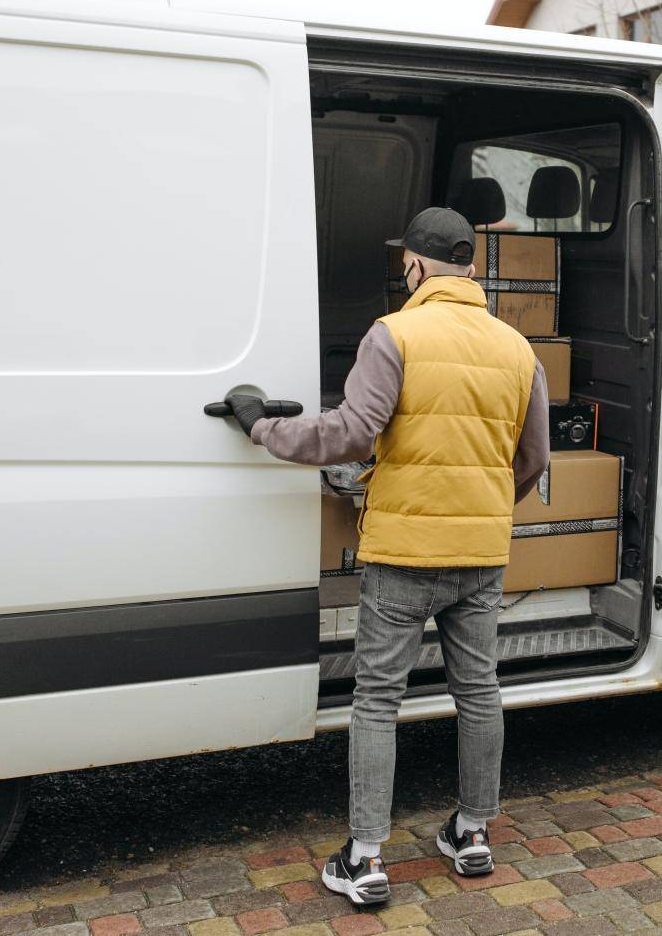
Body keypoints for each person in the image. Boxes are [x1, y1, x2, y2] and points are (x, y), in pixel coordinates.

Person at [225, 207, 549, 906]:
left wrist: (261, 427)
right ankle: (471, 834)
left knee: (377, 699)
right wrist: (486, 506)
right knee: (479, 690)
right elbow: (535, 458)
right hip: (481, 552)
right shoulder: (516, 348)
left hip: (404, 551)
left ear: (416, 265)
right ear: (469, 265)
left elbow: (350, 433)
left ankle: (366, 859)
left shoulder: (394, 334)